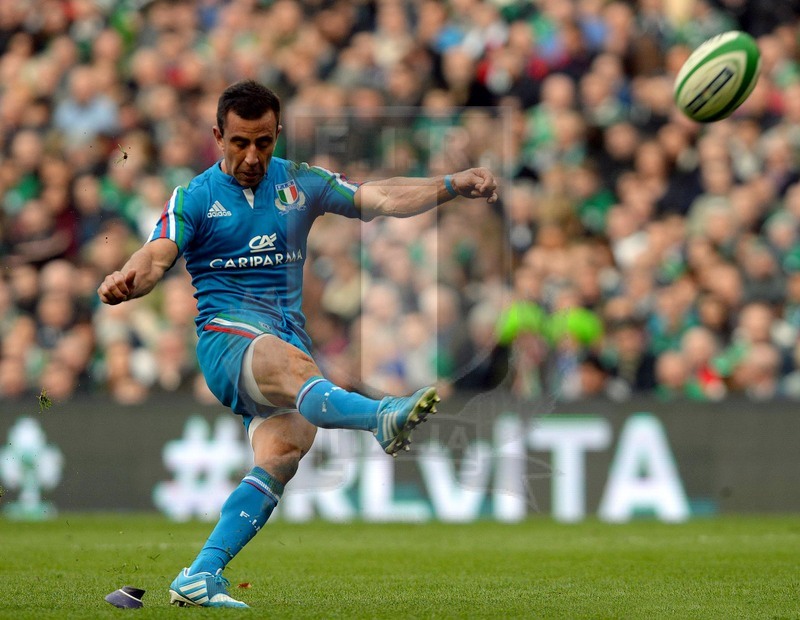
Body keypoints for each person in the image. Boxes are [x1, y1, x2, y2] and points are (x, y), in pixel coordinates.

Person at [97, 79, 498, 609]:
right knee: (291, 366)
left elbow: (378, 198)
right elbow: (155, 255)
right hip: (228, 340)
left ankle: (201, 573)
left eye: (263, 142)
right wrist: (128, 279)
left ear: (278, 134)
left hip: (286, 341)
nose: (252, 155)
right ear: (219, 136)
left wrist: (450, 183)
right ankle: (382, 414)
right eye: (240, 142)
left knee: (282, 456)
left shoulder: (299, 183)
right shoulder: (194, 197)